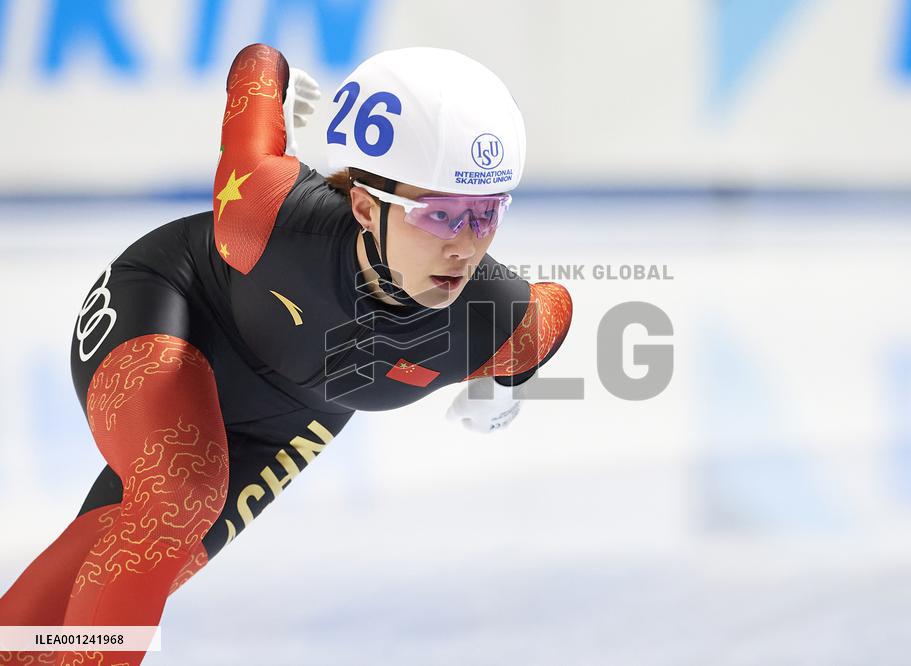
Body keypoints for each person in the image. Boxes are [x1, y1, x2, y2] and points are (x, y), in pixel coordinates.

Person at [0, 43, 572, 665]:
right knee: (180, 493)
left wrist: (505, 382)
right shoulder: (267, 213)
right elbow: (255, 63)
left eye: (486, 213)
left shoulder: (500, 320)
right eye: (439, 215)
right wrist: (277, 91)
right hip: (179, 306)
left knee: (121, 562)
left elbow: (553, 313)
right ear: (363, 206)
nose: (465, 246)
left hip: (291, 413)